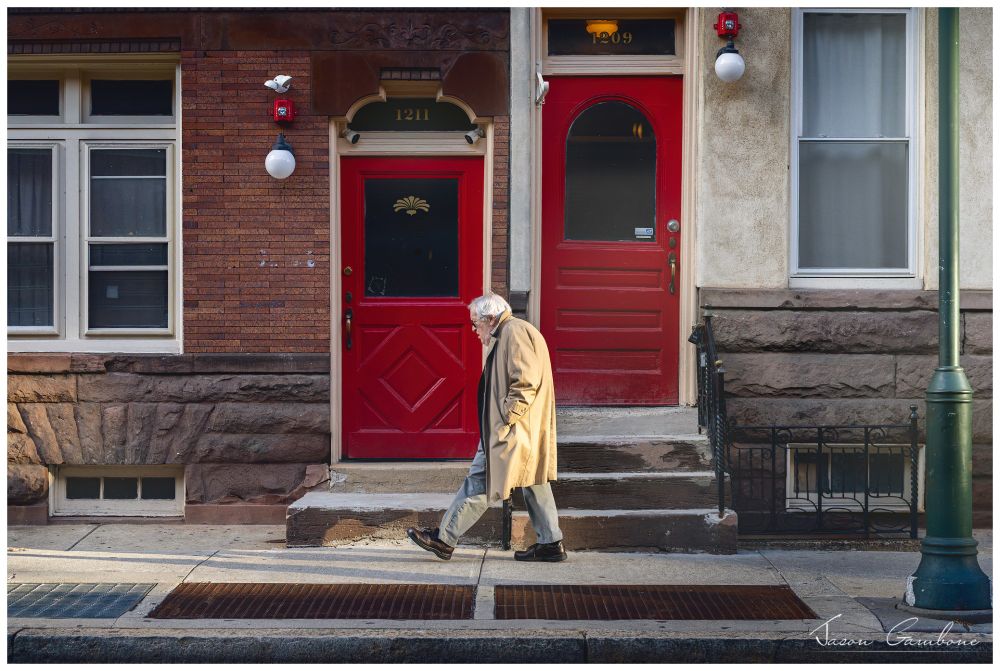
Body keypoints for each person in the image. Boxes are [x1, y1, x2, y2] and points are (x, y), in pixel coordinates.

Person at [407, 293, 566, 562]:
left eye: (475, 323)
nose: (474, 330)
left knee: (483, 479)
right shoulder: (511, 331)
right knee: (534, 481)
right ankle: (550, 543)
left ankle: (444, 539)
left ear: (490, 319)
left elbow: (525, 384)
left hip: (510, 430)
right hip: (519, 429)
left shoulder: (514, 332)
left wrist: (505, 420)